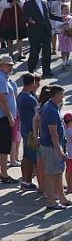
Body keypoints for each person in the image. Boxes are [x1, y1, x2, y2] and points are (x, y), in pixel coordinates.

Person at [39, 85, 70, 209]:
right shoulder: (51, 110)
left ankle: (62, 199)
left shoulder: (49, 105)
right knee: (51, 174)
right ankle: (51, 202)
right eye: (62, 94)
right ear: (56, 95)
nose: (63, 97)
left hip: (51, 146)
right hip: (52, 147)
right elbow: (53, 133)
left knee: (57, 173)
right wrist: (60, 151)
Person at [23, 0, 53, 77]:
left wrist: (61, 19)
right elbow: (24, 16)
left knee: (47, 52)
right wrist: (29, 20)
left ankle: (46, 71)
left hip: (46, 31)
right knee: (35, 52)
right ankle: (31, 69)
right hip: (35, 32)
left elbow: (50, 15)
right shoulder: (28, 3)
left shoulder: (45, 2)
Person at [16, 73, 37, 191]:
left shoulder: (20, 96)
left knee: (26, 156)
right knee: (30, 157)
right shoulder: (29, 98)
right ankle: (27, 181)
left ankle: (25, 180)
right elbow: (37, 113)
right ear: (32, 83)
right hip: (30, 130)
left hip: (24, 127)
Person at [0, 55, 17, 185]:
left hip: (4, 117)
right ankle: (4, 174)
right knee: (4, 147)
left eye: (11, 65)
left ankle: (3, 173)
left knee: (4, 146)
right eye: (8, 65)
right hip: (3, 118)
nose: (10, 67)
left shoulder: (5, 78)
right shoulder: (1, 79)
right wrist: (10, 117)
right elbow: (2, 100)